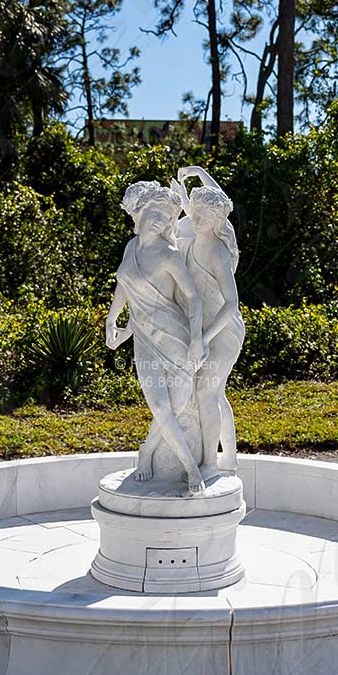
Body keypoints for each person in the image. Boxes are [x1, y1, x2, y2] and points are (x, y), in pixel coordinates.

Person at [105, 181, 207, 493]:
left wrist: (196, 340)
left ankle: (147, 450)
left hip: (175, 338)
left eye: (167, 215)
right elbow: (125, 283)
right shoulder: (130, 249)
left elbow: (193, 298)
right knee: (161, 408)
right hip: (143, 339)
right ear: (140, 213)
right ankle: (191, 469)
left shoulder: (169, 254)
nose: (161, 220)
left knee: (174, 409)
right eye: (156, 213)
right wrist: (112, 320)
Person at [175, 165, 245, 478]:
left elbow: (231, 304)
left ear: (219, 221)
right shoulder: (192, 232)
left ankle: (209, 462)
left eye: (204, 215)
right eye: (195, 212)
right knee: (215, 393)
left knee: (206, 392)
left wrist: (204, 339)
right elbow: (211, 201)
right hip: (203, 330)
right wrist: (199, 174)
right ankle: (229, 457)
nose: (197, 218)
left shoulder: (217, 249)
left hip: (224, 332)